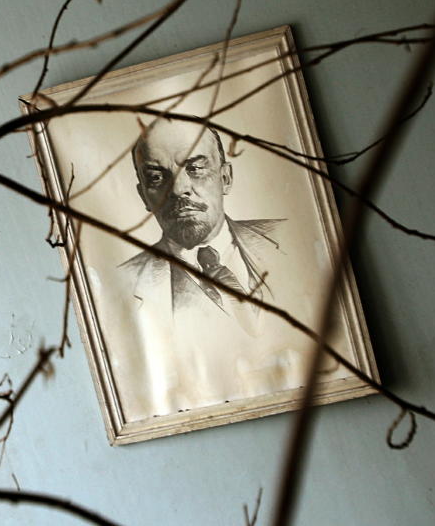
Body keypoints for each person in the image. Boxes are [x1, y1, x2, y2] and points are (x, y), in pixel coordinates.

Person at [108, 119, 309, 420]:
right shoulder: (120, 289)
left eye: (195, 168)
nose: (179, 189)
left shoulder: (299, 242)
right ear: (143, 196)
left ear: (226, 178)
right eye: (156, 177)